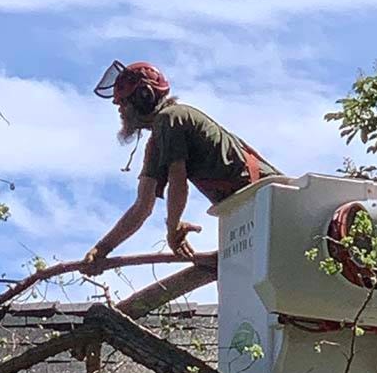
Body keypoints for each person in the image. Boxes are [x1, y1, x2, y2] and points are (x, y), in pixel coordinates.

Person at [82, 61, 281, 269]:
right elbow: (142, 206)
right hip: (252, 207)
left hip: (274, 197)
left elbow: (178, 180)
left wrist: (173, 227)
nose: (120, 110)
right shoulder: (157, 142)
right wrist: (102, 249)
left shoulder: (171, 119)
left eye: (124, 103)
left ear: (144, 97)